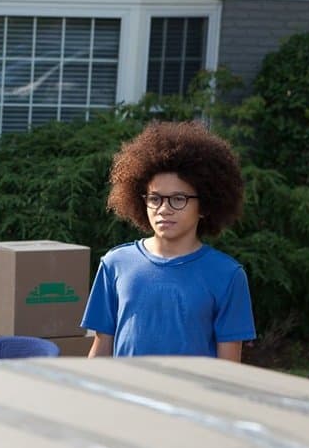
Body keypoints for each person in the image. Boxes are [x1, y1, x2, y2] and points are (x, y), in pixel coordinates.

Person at [81, 121, 255, 361]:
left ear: (204, 206)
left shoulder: (227, 275)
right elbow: (100, 351)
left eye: (178, 199)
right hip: (125, 386)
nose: (164, 209)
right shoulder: (115, 264)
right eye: (155, 198)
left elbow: (228, 366)